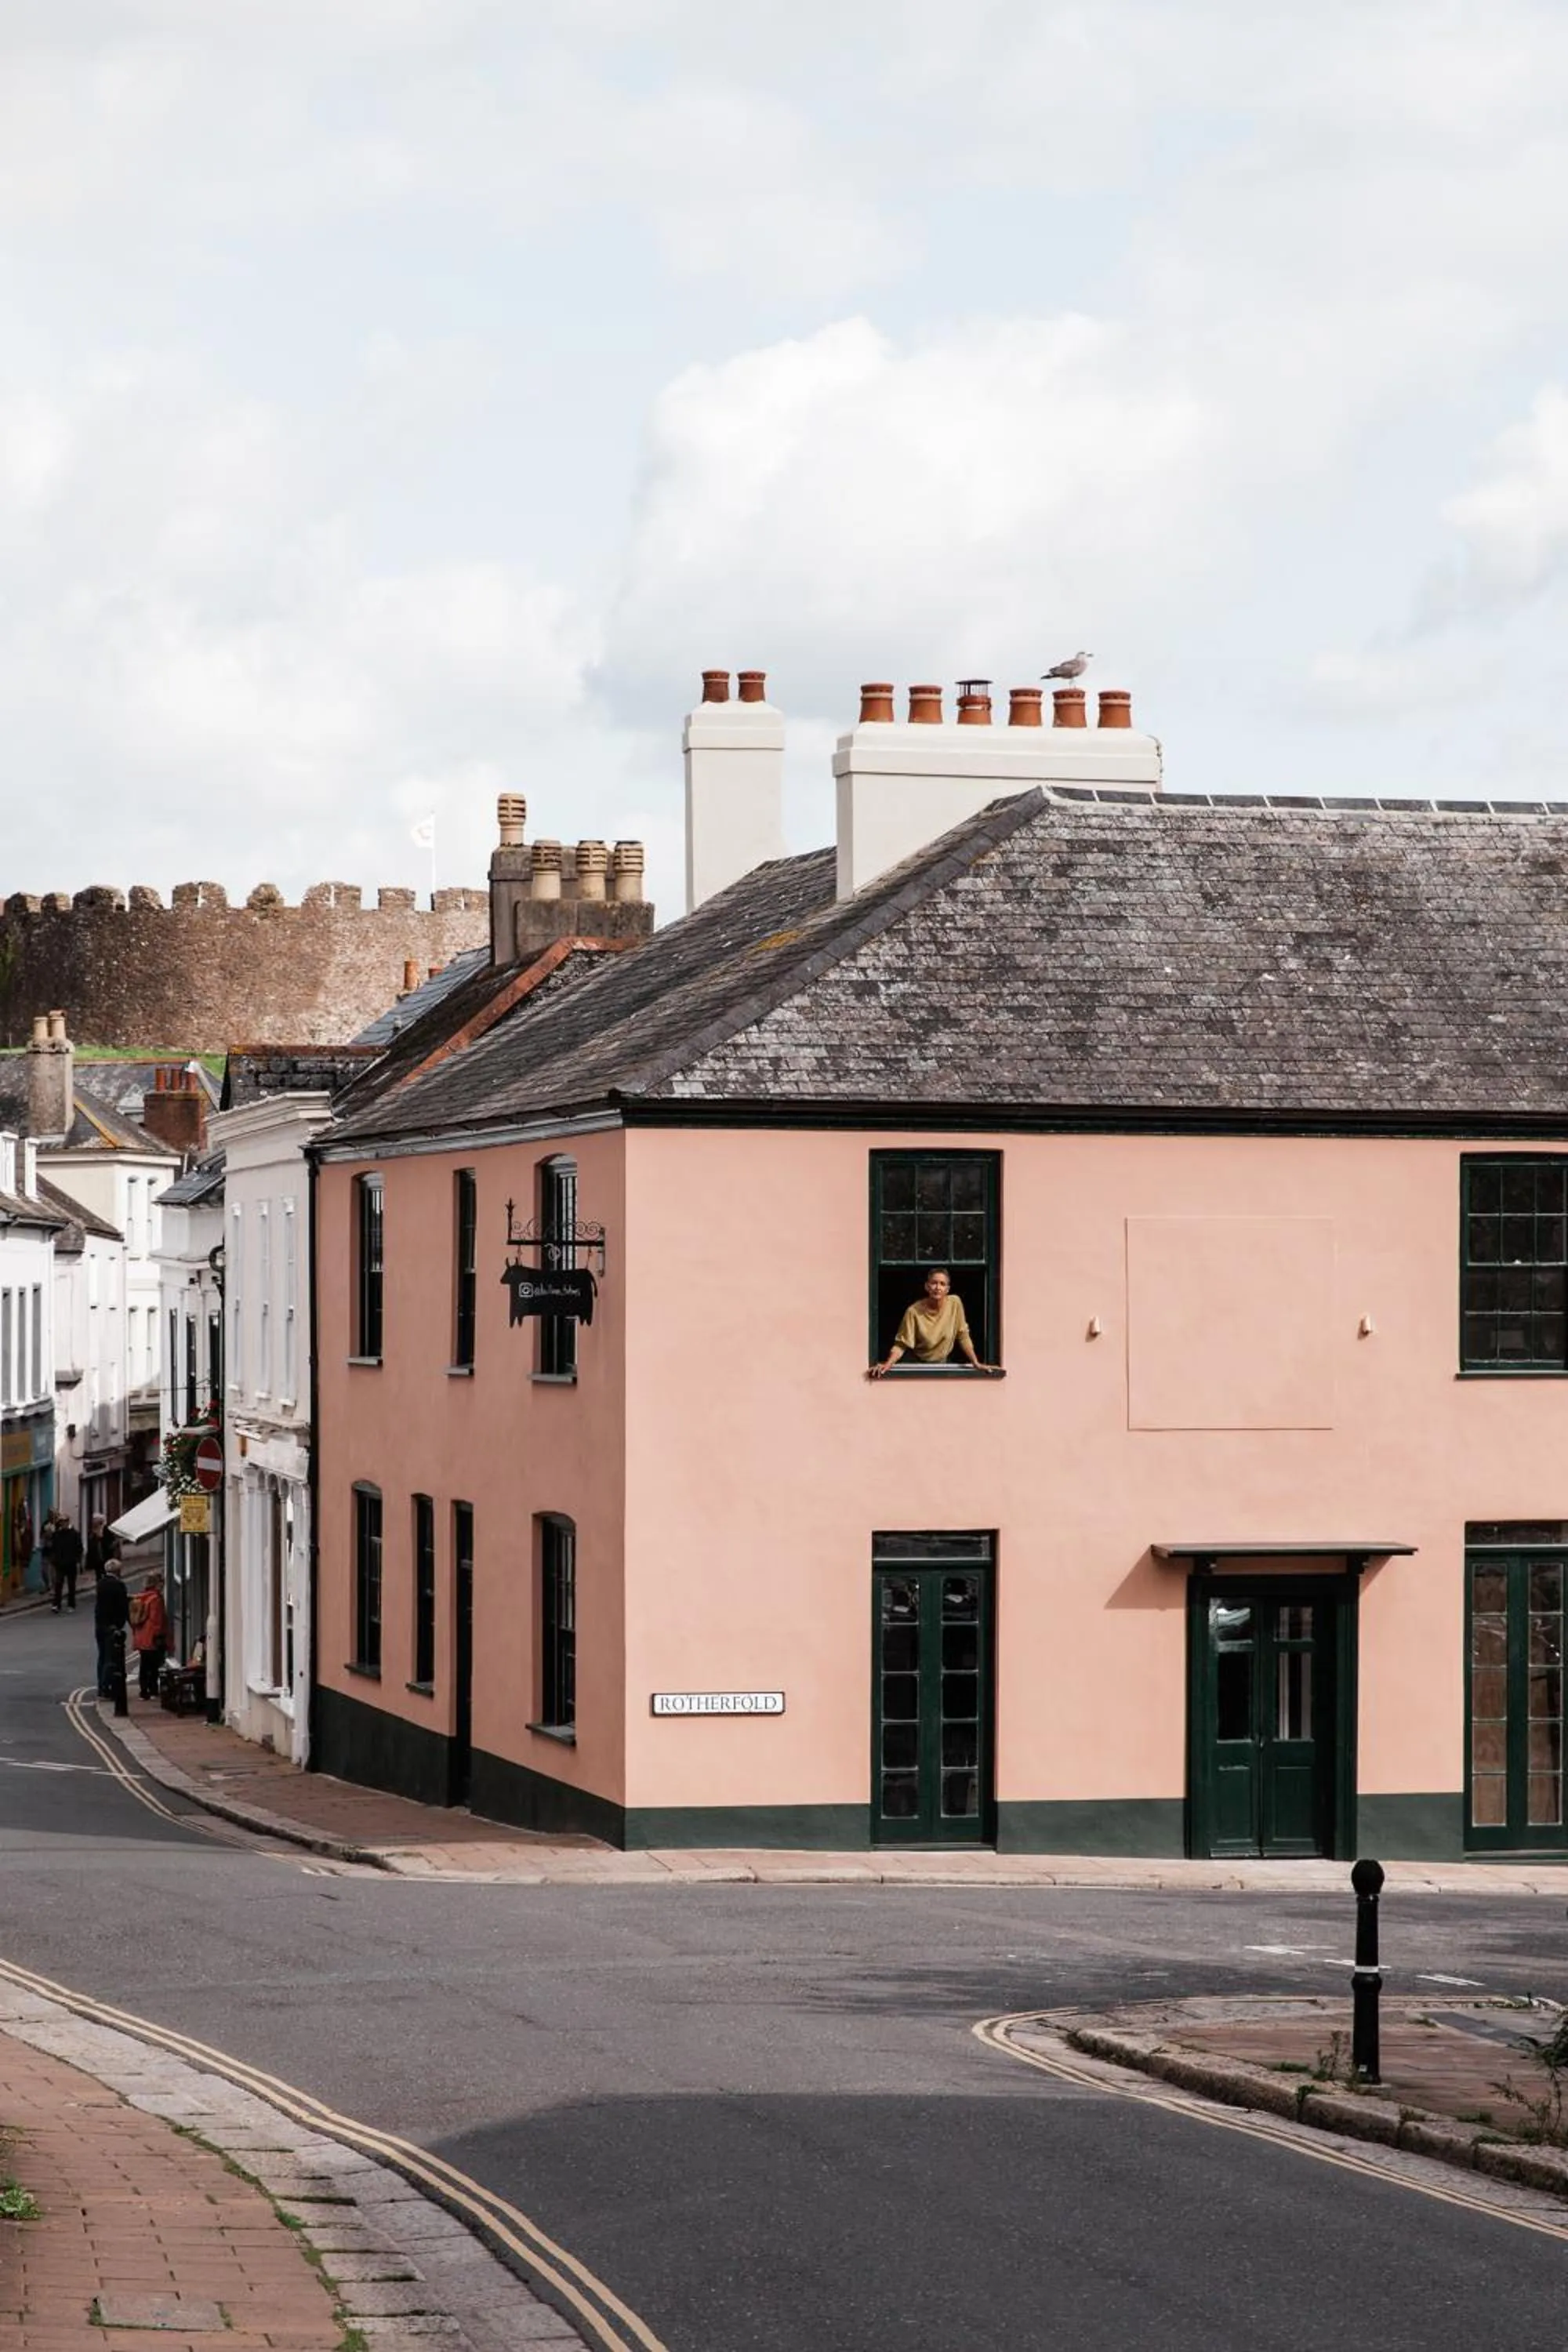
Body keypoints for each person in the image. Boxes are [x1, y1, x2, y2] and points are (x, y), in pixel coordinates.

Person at [869, 1267, 1000, 1377]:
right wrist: (887, 1364)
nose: (938, 1287)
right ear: (927, 1286)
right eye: (934, 1283)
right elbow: (902, 1344)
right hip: (916, 1363)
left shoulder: (955, 1304)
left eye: (942, 1284)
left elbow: (963, 1335)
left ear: (948, 1289)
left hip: (942, 1363)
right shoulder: (913, 1311)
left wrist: (976, 1363)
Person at [93, 1553, 130, 1698]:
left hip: (99, 1625)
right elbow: (122, 1607)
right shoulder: (119, 1585)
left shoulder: (100, 1584)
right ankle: (106, 1688)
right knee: (111, 1658)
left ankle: (101, 1686)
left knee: (102, 1657)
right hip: (113, 1627)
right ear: (118, 1571)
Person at [129, 1573, 169, 1701]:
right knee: (154, 1665)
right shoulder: (156, 1599)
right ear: (157, 1583)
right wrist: (160, 1636)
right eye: (162, 1582)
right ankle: (152, 1690)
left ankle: (143, 1691)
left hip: (141, 1635)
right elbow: (157, 1620)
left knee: (144, 1665)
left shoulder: (140, 1597)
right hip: (152, 1637)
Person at [50, 1514, 84, 1613]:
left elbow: (79, 1548)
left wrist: (77, 1560)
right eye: (61, 1522)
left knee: (71, 1585)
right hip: (60, 1563)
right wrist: (54, 1560)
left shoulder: (75, 1534)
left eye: (65, 1521)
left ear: (68, 1522)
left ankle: (71, 1605)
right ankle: (56, 1605)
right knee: (58, 1584)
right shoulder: (57, 1534)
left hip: (71, 1564)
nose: (63, 1523)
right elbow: (54, 1548)